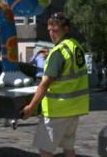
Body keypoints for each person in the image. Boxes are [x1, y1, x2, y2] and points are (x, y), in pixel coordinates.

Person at [21, 12, 89, 157]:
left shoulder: (58, 53)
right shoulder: (76, 46)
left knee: (45, 151)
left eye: (55, 30)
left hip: (56, 111)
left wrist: (31, 107)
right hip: (73, 109)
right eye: (49, 30)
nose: (51, 34)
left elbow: (45, 84)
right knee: (69, 149)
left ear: (66, 29)